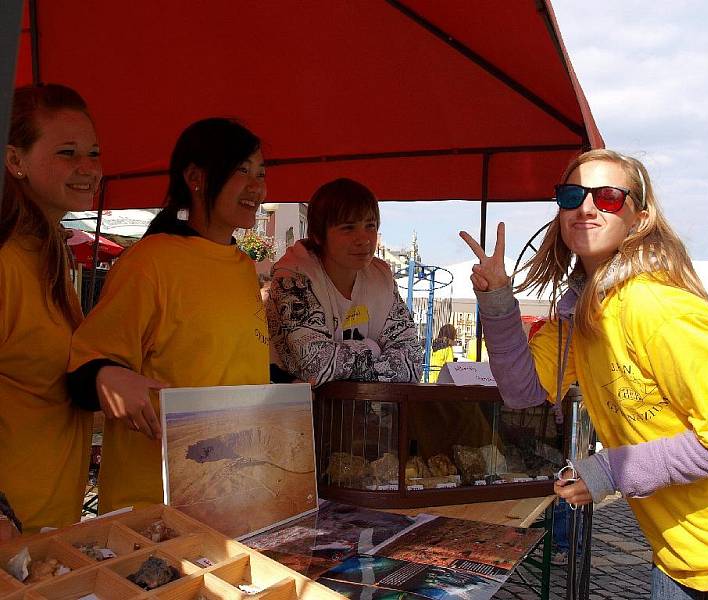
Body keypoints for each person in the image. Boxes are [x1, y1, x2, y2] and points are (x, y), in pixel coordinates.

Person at [461, 149, 708, 597]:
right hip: (681, 556)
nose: (585, 206)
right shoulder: (580, 317)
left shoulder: (654, 305)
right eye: (571, 194)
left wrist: (608, 469)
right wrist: (499, 301)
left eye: (606, 197)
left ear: (639, 219)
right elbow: (524, 392)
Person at [67, 118, 270, 513]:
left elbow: (228, 366)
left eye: (261, 173)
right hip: (152, 504)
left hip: (230, 496)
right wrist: (106, 376)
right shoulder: (149, 262)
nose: (257, 187)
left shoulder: (245, 268)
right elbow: (83, 372)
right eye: (241, 170)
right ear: (196, 178)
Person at [1, 84, 100, 531]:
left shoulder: (49, 255)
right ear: (15, 160)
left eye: (93, 153)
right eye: (67, 152)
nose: (88, 168)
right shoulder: (6, 261)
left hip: (46, 530)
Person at [267, 178, 423, 386]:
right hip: (293, 411)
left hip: (363, 414)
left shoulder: (380, 277)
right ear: (317, 236)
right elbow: (317, 365)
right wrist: (373, 347)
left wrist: (345, 359)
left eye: (370, 226)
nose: (364, 239)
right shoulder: (293, 279)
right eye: (348, 228)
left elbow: (412, 362)